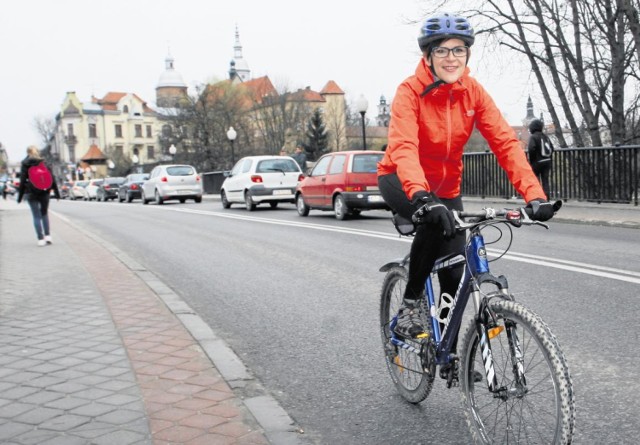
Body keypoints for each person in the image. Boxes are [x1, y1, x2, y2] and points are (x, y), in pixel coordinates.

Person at [377, 13, 556, 353]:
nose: (451, 58)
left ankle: (447, 351)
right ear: (427, 56)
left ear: (467, 55)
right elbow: (404, 146)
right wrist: (420, 195)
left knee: (455, 274)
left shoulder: (472, 93)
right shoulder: (410, 92)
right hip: (401, 178)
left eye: (459, 50)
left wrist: (535, 195)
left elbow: (504, 142)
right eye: (442, 50)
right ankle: (410, 308)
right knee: (433, 220)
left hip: (446, 189)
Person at [17, 145, 60, 246]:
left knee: (36, 216)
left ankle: (40, 239)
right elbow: (52, 178)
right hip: (44, 192)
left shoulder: (25, 163)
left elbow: (22, 180)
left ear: (27, 153)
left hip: (31, 193)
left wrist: (20, 197)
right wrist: (57, 193)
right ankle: (48, 236)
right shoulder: (44, 162)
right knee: (44, 214)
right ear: (37, 152)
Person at [527, 118, 554, 198]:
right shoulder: (545, 137)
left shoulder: (533, 137)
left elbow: (531, 149)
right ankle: (547, 198)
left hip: (537, 162)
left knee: (535, 181)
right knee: (545, 181)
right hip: (547, 161)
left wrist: (532, 161)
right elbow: (552, 148)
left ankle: (537, 197)